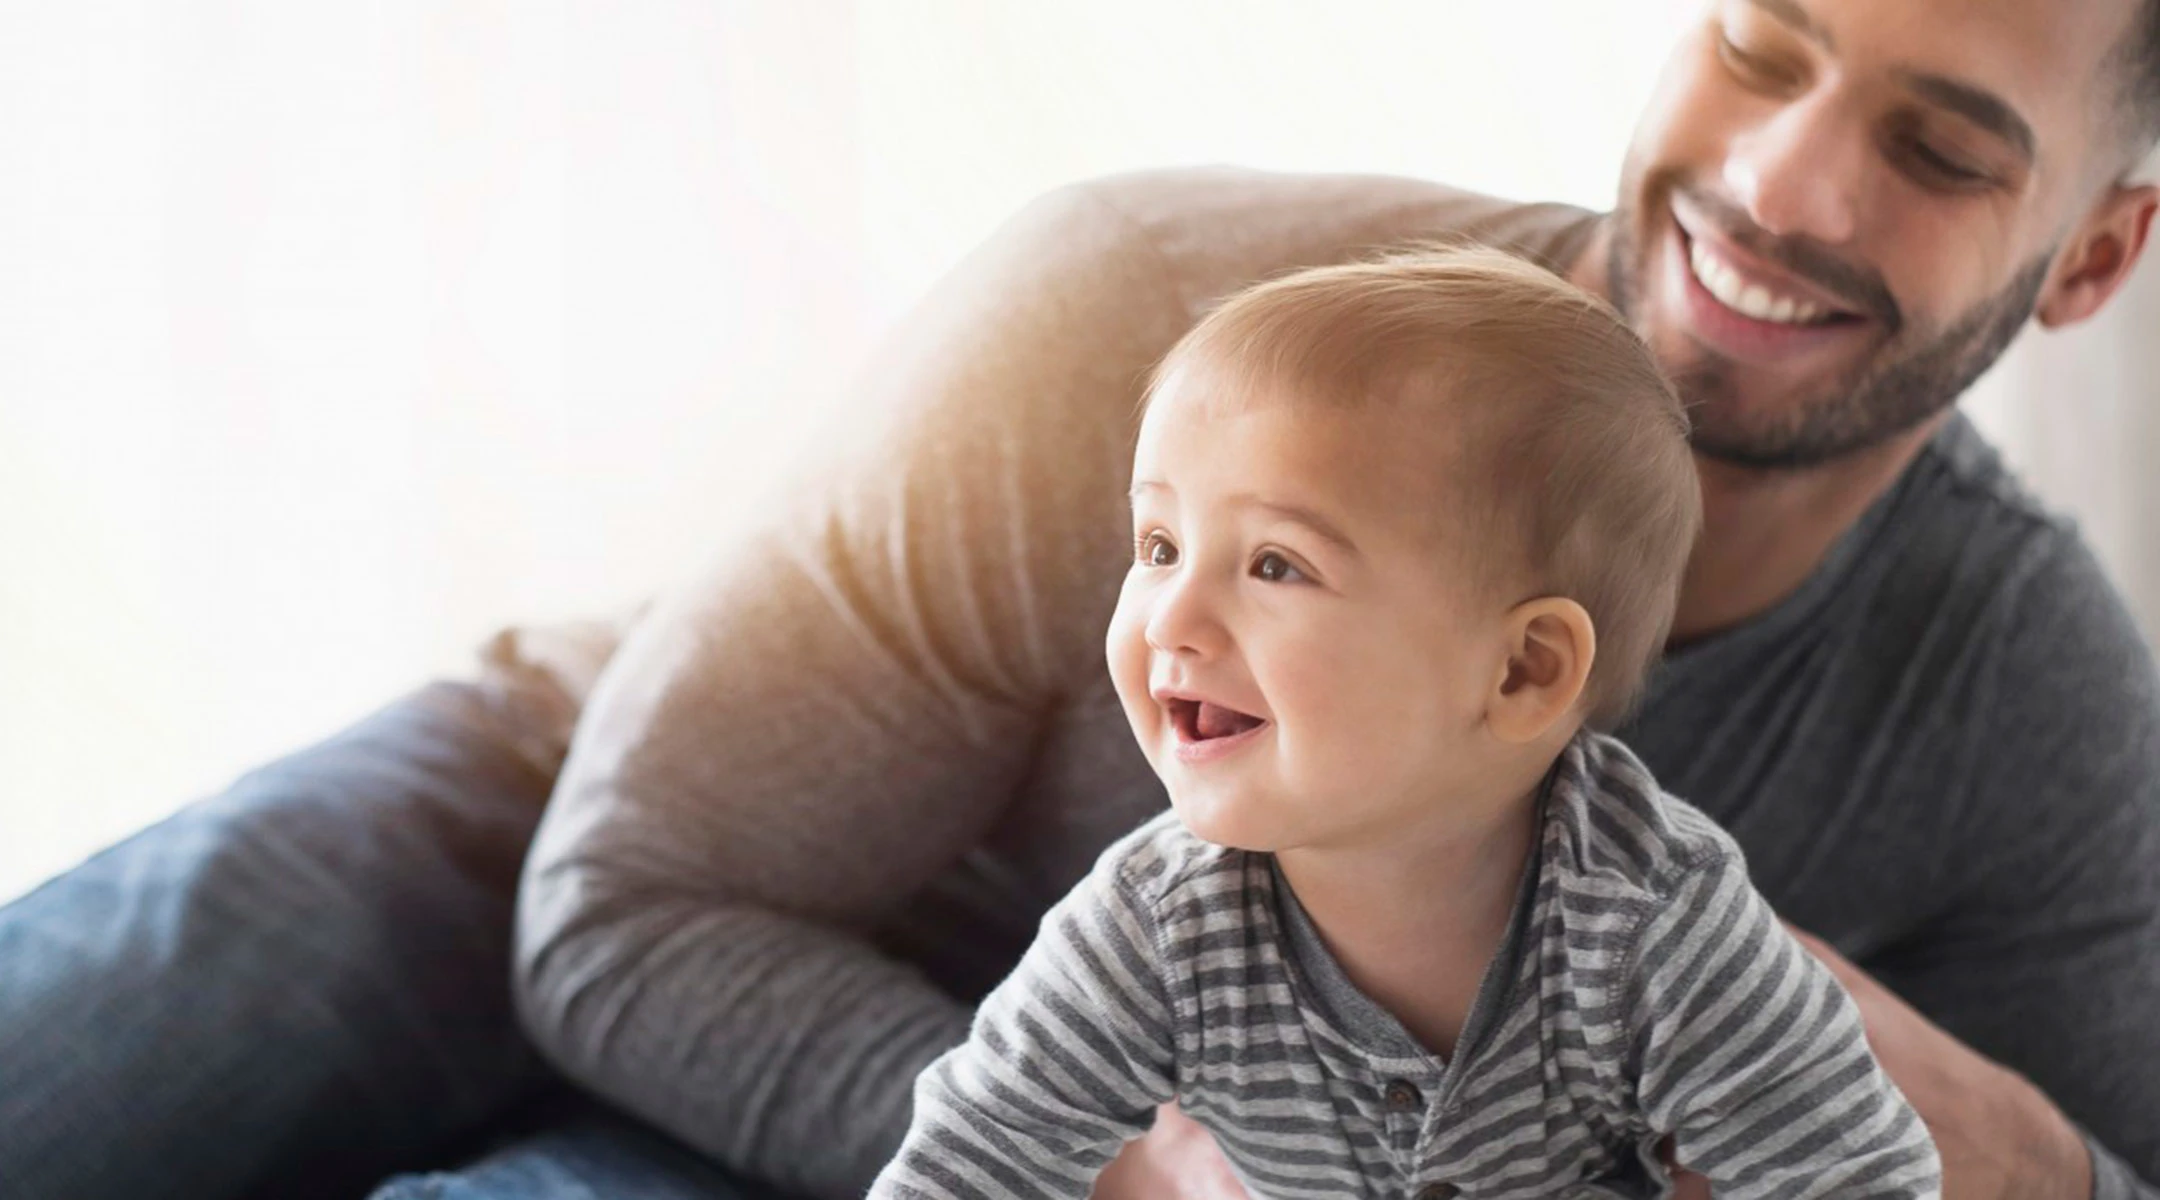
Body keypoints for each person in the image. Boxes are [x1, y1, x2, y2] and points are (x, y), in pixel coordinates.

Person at [3, 0, 2157, 1197]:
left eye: (1946, 150)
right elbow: (630, 909)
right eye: (1761, 48)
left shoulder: (2011, 702)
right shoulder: (1146, 313)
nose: (1783, 186)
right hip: (617, 842)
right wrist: (1147, 1180)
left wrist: (2029, 1169)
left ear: (2090, 255)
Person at [871, 248, 1941, 1198]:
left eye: (1275, 564)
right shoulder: (1155, 927)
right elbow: (969, 1162)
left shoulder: (1652, 922)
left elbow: (1862, 1175)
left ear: (1523, 670)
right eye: (1157, 547)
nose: (1174, 617)